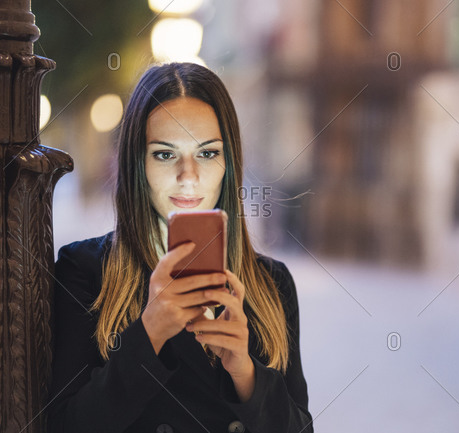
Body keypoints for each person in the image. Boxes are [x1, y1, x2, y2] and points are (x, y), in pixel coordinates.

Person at [46, 62, 314, 433]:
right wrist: (150, 332)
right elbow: (64, 426)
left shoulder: (272, 283)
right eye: (164, 153)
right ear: (136, 163)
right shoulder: (85, 271)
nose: (188, 176)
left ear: (229, 164)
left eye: (207, 153)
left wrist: (246, 374)